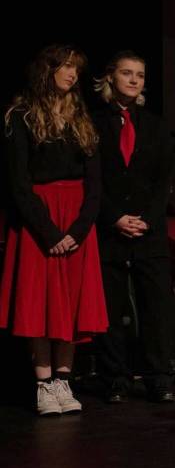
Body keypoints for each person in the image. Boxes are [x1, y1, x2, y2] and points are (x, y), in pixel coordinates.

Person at [1, 44, 108, 415]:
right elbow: (18, 184)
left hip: (76, 217)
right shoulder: (21, 115)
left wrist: (78, 230)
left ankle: (64, 379)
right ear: (46, 70)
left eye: (76, 68)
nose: (72, 74)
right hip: (40, 219)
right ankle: (44, 384)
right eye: (65, 66)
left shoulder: (81, 117)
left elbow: (95, 184)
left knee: (72, 301)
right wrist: (49, 233)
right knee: (40, 302)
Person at [92, 52, 175, 402]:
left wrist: (148, 219)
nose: (133, 80)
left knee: (156, 306)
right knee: (110, 308)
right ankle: (115, 378)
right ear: (111, 77)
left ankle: (159, 378)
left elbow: (163, 180)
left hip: (148, 229)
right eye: (127, 73)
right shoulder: (92, 122)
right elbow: (91, 180)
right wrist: (114, 217)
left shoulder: (155, 124)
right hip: (109, 228)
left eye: (139, 75)